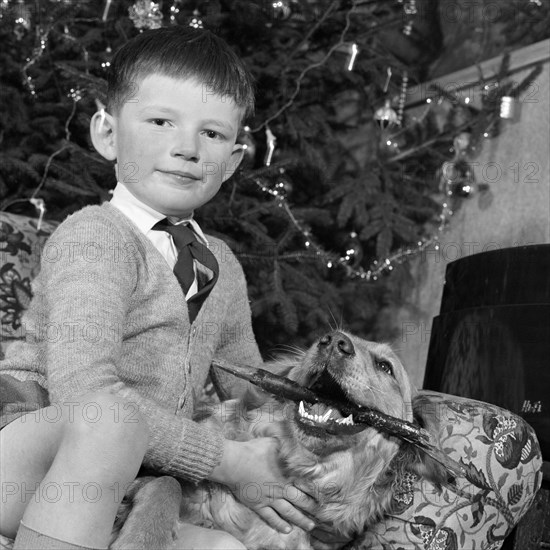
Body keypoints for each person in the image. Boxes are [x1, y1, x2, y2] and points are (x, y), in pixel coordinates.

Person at [0, 26, 317, 550]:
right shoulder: (97, 236)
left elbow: (248, 388)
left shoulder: (223, 266)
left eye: (212, 134)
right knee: (111, 421)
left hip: (136, 485)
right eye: (161, 121)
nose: (187, 148)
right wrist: (229, 461)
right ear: (108, 134)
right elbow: (85, 396)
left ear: (233, 160)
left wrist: (314, 418)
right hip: (27, 454)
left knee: (224, 549)